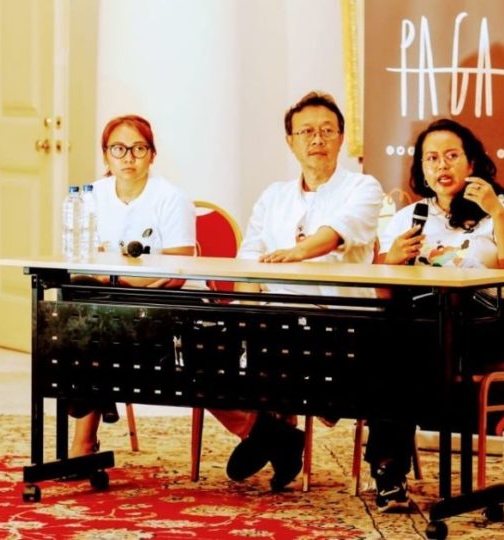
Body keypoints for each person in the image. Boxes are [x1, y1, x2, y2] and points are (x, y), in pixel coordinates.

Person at [211, 91, 383, 491]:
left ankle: (277, 424)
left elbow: (335, 233)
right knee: (201, 347)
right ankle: (268, 430)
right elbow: (248, 259)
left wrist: (297, 253)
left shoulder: (363, 187)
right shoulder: (274, 195)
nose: (317, 139)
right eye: (306, 132)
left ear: (341, 138)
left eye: (327, 131)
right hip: (274, 318)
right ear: (291, 142)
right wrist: (245, 310)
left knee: (276, 343)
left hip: (339, 321)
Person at [369, 118, 504, 511]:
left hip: (492, 318)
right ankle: (390, 468)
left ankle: (389, 464)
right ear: (422, 169)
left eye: (451, 156)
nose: (441, 165)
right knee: (386, 335)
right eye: (431, 158)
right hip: (426, 320)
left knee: (401, 346)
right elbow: (384, 290)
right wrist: (391, 260)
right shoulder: (411, 216)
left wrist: (496, 211)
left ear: (471, 163)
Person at [67, 115, 195, 459]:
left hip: (156, 301)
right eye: (118, 149)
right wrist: (119, 276)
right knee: (78, 300)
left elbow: (179, 267)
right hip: (106, 301)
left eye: (138, 148)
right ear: (106, 155)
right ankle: (101, 399)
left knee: (90, 320)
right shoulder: (90, 196)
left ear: (152, 154)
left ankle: (86, 432)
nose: (128, 157)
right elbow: (80, 257)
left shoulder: (170, 197)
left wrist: (116, 277)